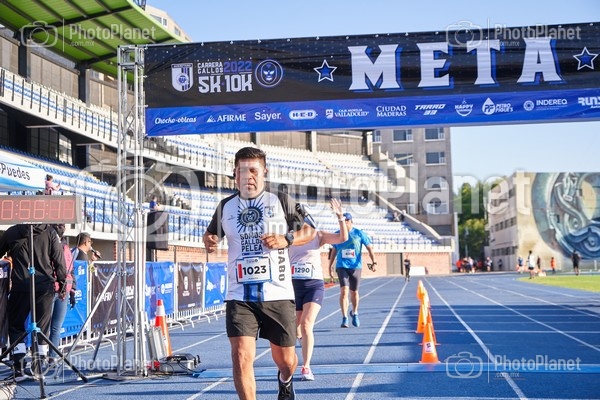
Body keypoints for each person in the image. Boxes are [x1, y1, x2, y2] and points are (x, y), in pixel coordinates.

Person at [202, 147, 315, 400]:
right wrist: (208, 240)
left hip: (277, 293)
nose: (248, 176)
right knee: (240, 355)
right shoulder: (225, 206)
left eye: (253, 170)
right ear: (234, 174)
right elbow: (210, 235)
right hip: (239, 295)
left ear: (265, 172)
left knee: (286, 361)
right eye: (242, 171)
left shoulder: (280, 201)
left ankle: (285, 380)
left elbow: (310, 231)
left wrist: (286, 239)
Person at [289, 198, 348, 381]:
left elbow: (342, 238)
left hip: (313, 285)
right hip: (293, 285)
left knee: (307, 324)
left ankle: (306, 367)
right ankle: (299, 349)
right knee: (295, 329)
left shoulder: (317, 235)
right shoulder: (288, 237)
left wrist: (340, 217)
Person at [0, 224, 66, 381]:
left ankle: (19, 367)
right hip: (44, 287)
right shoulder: (50, 232)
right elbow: (59, 260)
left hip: (21, 285)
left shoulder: (12, 232)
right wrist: (62, 284)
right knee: (42, 327)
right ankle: (39, 367)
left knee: (16, 326)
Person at [328, 212, 376, 328]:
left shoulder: (359, 233)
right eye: (343, 221)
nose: (345, 223)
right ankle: (344, 317)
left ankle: (354, 312)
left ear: (351, 221)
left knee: (354, 293)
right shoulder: (337, 234)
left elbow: (369, 248)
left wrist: (374, 262)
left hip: (355, 267)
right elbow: (333, 251)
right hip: (341, 266)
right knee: (344, 291)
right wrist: (330, 266)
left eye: (347, 221)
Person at [48, 224, 76, 363]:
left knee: (55, 327)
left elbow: (71, 270)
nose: (62, 228)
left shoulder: (66, 247)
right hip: (51, 290)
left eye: (63, 226)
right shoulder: (48, 245)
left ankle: (51, 357)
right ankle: (42, 356)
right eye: (59, 225)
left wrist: (72, 290)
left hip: (63, 291)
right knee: (45, 327)